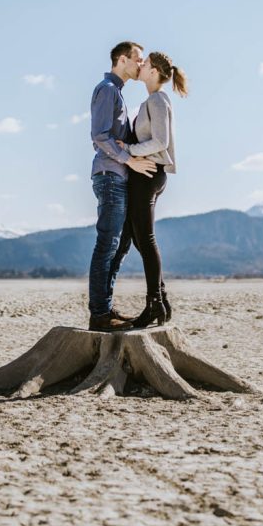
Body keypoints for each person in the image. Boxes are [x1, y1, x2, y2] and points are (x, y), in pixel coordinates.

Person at [109, 51, 187, 328]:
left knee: (146, 238)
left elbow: (160, 141)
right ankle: (160, 300)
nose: (140, 66)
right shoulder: (151, 100)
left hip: (149, 173)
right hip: (146, 174)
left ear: (154, 72)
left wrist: (128, 149)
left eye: (145, 64)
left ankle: (154, 302)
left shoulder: (157, 99)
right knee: (140, 239)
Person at [87, 41, 156, 332]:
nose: (141, 65)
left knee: (121, 244)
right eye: (138, 59)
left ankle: (105, 308)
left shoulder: (118, 93)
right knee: (108, 244)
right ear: (122, 60)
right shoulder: (107, 90)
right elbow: (100, 136)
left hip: (118, 177)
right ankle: (99, 315)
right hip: (110, 175)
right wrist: (129, 159)